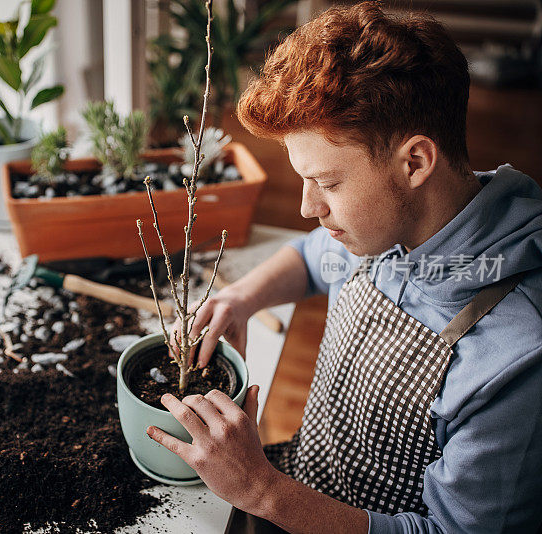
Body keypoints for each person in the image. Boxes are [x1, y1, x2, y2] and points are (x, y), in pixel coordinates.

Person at [144, 2, 542, 533]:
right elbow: (313, 257)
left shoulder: (518, 355)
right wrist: (242, 298)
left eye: (328, 183)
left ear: (416, 162)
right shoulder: (384, 224)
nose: (307, 208)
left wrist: (263, 491)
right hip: (310, 477)